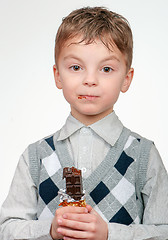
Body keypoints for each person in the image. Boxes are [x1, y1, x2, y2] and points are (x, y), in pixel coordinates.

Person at [0, 6, 168, 240]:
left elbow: (164, 230)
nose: (90, 80)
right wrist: (49, 230)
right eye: (76, 67)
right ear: (58, 75)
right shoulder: (35, 157)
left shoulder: (143, 156)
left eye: (106, 69)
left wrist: (110, 234)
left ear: (126, 79)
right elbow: (7, 228)